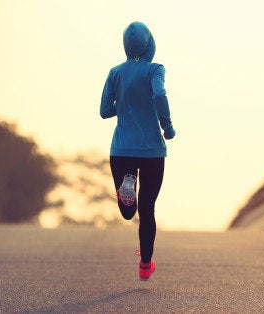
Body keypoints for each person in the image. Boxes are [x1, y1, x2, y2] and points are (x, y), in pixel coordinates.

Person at [100, 21, 175, 281]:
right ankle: (145, 264)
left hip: (121, 149)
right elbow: (159, 95)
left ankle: (127, 182)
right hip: (152, 150)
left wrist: (125, 103)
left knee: (127, 212)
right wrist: (168, 126)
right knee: (147, 209)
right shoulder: (155, 69)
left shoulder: (115, 72)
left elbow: (104, 111)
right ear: (149, 43)